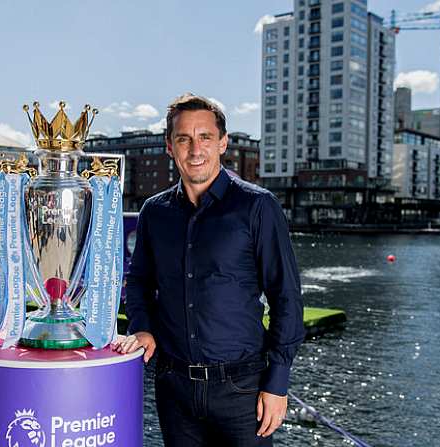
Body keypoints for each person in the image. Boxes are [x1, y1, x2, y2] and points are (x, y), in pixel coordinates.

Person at [115, 93, 304, 446]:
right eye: (184, 138)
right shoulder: (155, 212)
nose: (195, 149)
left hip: (243, 391)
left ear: (223, 143)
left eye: (205, 137)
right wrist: (142, 327)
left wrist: (277, 383)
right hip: (174, 388)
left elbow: (286, 296)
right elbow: (138, 281)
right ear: (170, 147)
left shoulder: (258, 206)